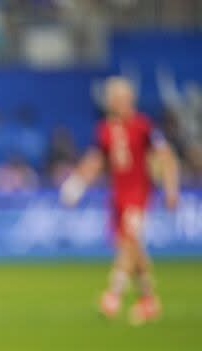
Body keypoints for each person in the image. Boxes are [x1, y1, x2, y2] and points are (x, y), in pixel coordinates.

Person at [60, 77, 179, 324]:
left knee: (129, 242)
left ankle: (113, 295)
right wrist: (77, 184)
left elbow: (165, 156)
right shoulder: (105, 129)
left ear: (129, 99)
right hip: (117, 195)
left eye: (118, 98)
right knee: (132, 248)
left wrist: (170, 188)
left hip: (139, 193)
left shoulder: (144, 126)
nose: (115, 103)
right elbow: (95, 160)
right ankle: (148, 300)